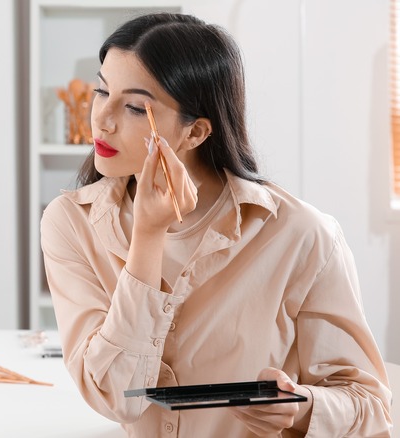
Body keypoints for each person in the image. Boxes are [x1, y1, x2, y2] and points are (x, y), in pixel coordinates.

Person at [40, 12, 392, 437]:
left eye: (134, 107)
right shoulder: (70, 223)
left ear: (195, 133)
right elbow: (115, 396)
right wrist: (148, 237)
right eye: (101, 90)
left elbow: (371, 408)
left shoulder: (301, 235)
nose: (102, 119)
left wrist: (300, 408)